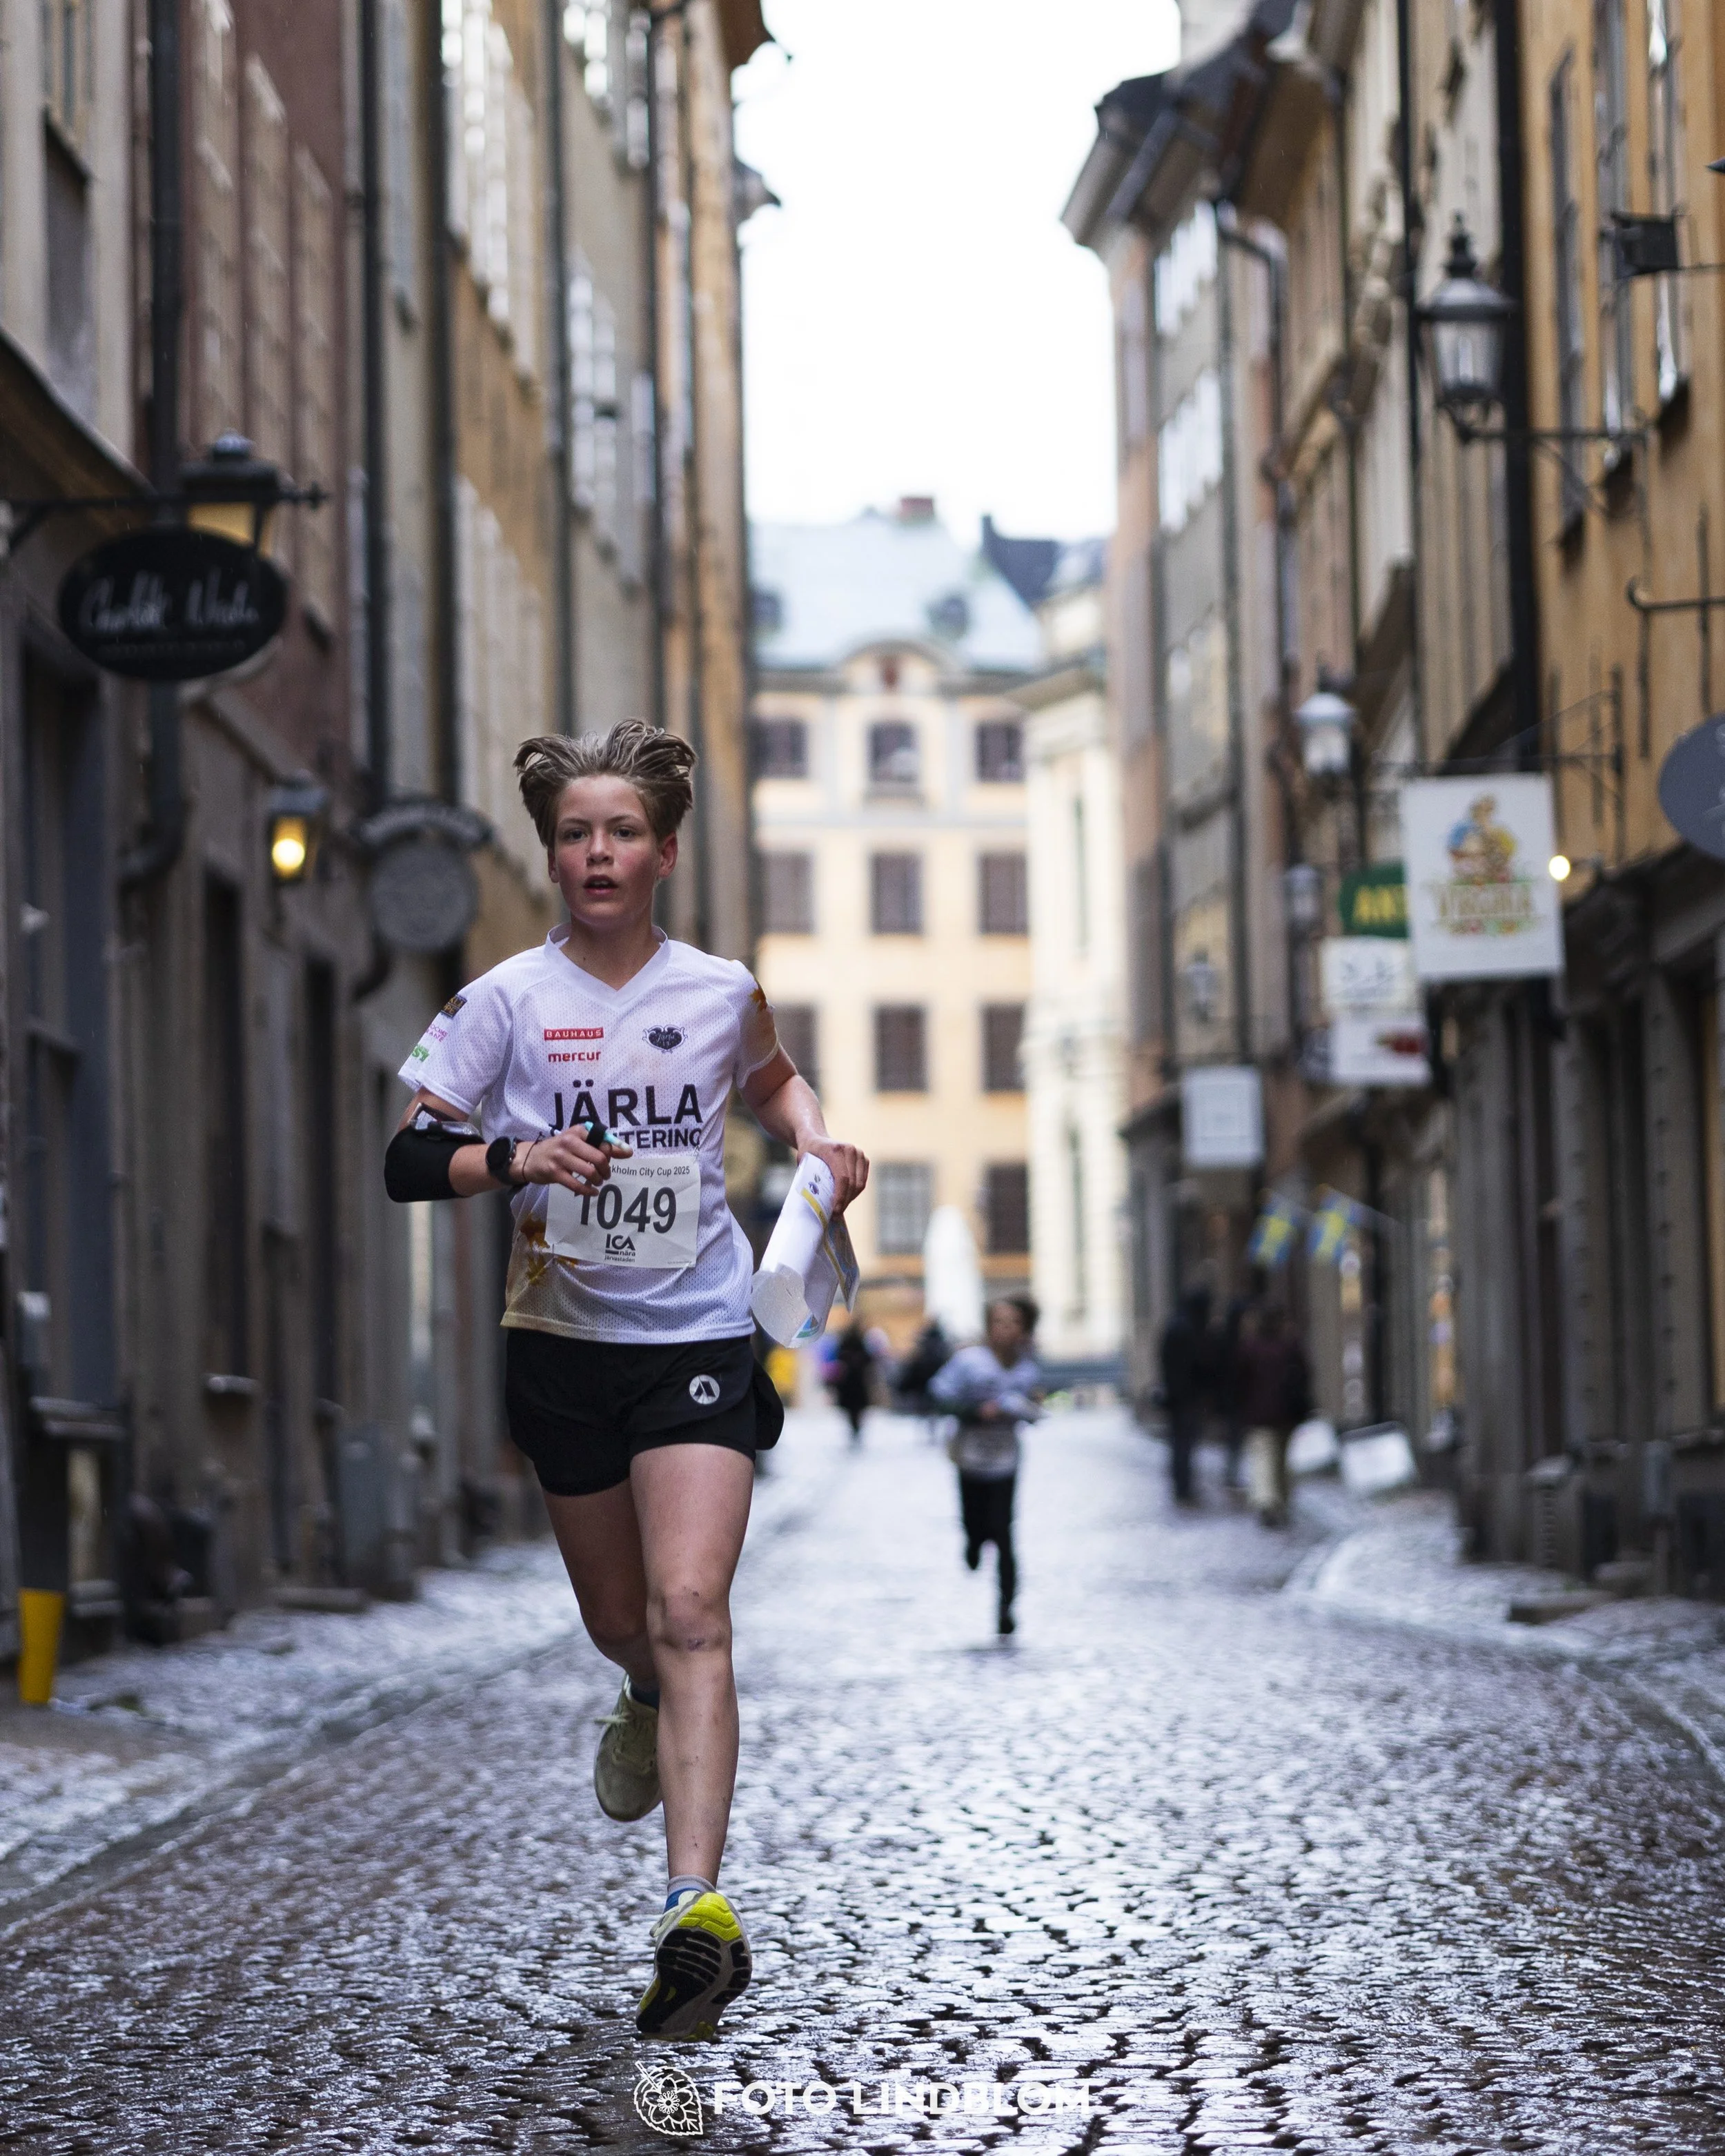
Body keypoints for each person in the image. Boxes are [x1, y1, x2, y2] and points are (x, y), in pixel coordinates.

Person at [383, 721, 867, 2041]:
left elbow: (771, 1084)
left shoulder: (720, 990)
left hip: (702, 1335)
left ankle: (693, 1912)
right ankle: (642, 1693)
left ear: (663, 851)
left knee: (694, 1603)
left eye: (622, 833)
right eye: (575, 835)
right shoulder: (503, 1003)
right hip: (560, 1345)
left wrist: (819, 1140)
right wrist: (516, 1162)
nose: (598, 853)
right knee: (625, 1623)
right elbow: (408, 1162)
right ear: (555, 854)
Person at [929, 1296, 1042, 1636]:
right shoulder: (969, 1362)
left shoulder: (1027, 1368)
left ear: (1024, 1329)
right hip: (970, 1457)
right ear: (989, 1326)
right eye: (999, 1321)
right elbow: (939, 1394)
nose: (1006, 1329)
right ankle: (973, 1543)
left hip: (1006, 1459)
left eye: (1013, 1323)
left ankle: (1007, 1607)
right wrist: (976, 1412)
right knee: (976, 1524)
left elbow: (1032, 1406)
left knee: (1005, 1532)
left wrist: (1030, 1408)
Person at [1234, 1302, 1312, 1527]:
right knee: (1282, 1460)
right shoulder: (1290, 1345)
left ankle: (1267, 1500)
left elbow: (1238, 1381)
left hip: (1258, 1414)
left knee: (1263, 1458)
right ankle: (1282, 1502)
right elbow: (1305, 1375)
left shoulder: (1250, 1347)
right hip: (1287, 1413)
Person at [1158, 1285, 1217, 1507]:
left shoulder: (1177, 1326)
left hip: (1178, 1396)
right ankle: (1183, 1485)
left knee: (1180, 1442)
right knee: (1184, 1443)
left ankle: (1182, 1484)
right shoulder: (1189, 1329)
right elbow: (1198, 1362)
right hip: (1186, 1396)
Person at [827, 1320, 877, 1443]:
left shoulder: (853, 1343)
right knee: (855, 1410)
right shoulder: (855, 1343)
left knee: (855, 1410)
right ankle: (855, 1429)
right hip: (853, 1384)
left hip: (853, 1384)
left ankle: (855, 1429)